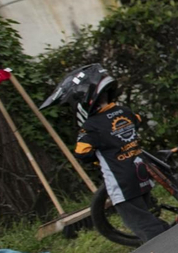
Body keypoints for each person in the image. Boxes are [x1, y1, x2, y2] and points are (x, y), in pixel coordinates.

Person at [39, 65, 165, 242]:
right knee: (144, 212)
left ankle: (167, 245)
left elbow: (82, 153)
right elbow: (137, 121)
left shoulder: (91, 127)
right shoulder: (125, 111)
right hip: (141, 172)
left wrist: (96, 153)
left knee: (141, 224)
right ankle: (168, 233)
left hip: (122, 181)